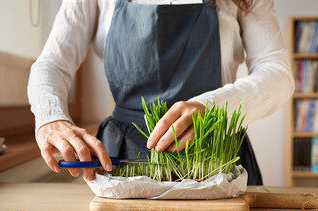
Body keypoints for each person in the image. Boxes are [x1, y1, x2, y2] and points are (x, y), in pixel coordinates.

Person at [28, 0, 294, 185]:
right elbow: (52, 63)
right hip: (126, 158)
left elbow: (277, 72)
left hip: (217, 152)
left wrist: (213, 106)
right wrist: (51, 117)